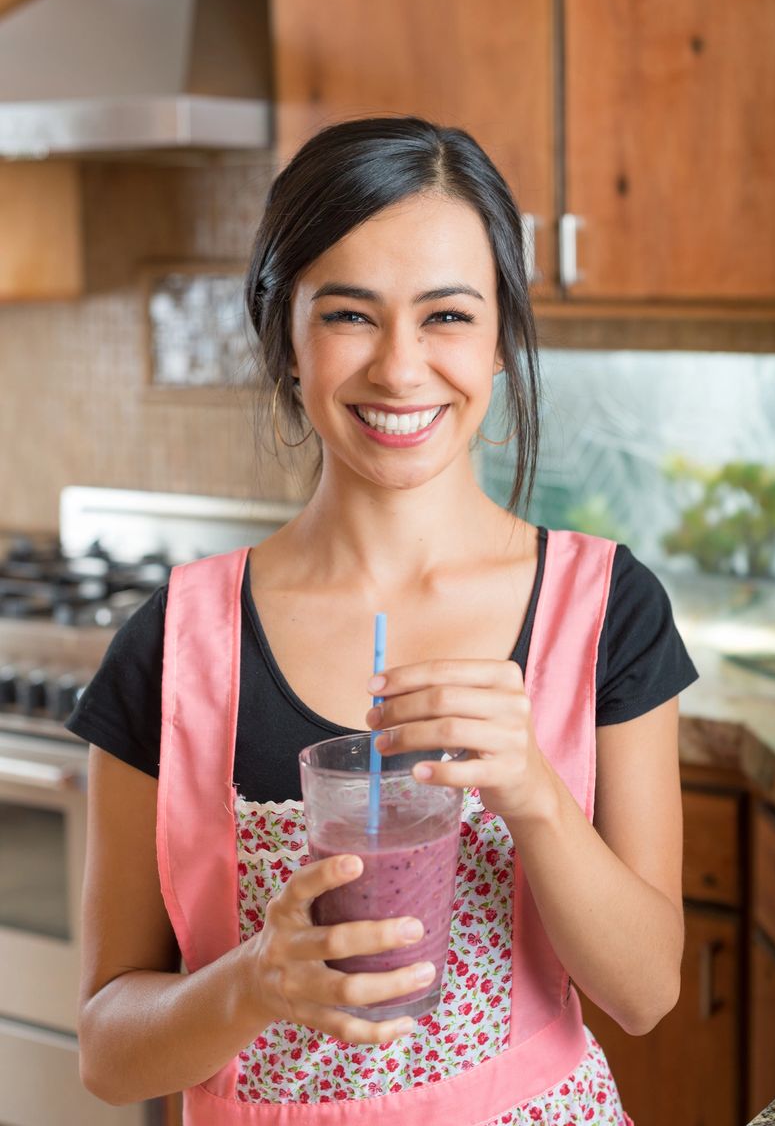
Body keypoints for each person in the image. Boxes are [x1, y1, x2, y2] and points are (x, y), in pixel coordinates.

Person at [69, 116, 697, 1125]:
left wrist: (533, 793)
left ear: (499, 339)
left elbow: (644, 991)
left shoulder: (607, 609)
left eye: (446, 315)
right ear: (285, 341)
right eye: (350, 315)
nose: (400, 370)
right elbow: (107, 1050)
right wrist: (252, 981)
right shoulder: (175, 643)